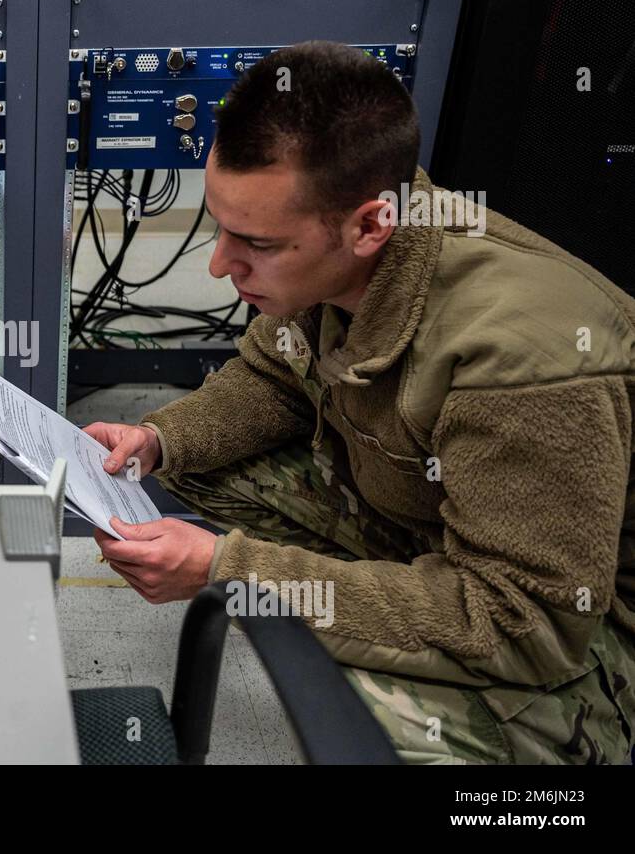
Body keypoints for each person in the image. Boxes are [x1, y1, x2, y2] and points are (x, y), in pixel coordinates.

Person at [84, 41, 635, 763]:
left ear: (371, 226)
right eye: (220, 226)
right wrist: (158, 441)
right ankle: (379, 611)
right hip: (438, 531)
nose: (220, 265)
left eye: (254, 242)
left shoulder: (524, 354)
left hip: (578, 637)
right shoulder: (348, 246)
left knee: (378, 727)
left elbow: (523, 623)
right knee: (195, 463)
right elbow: (274, 377)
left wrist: (234, 570)